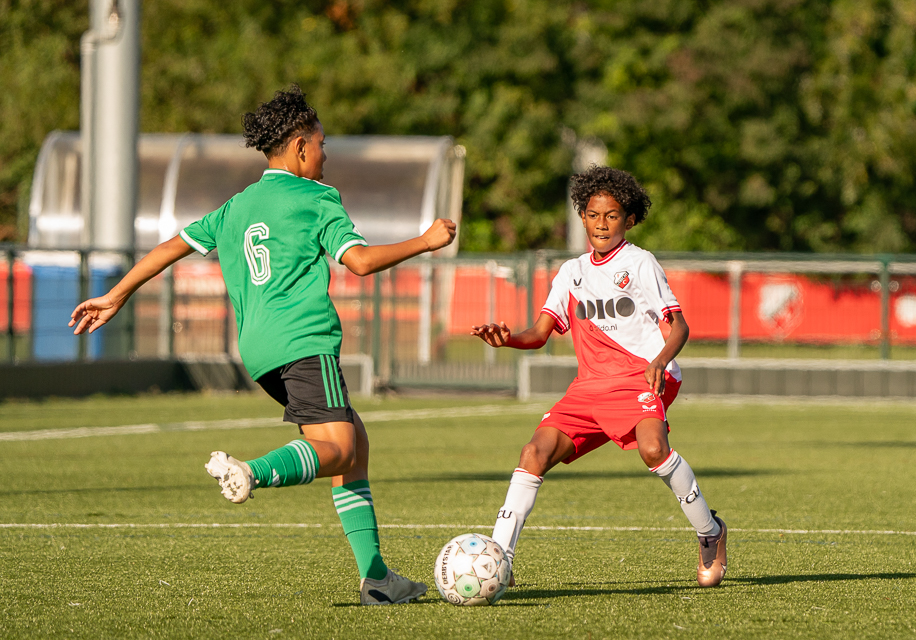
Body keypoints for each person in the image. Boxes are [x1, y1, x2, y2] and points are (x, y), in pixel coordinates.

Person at [70, 85, 456, 605]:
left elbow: (169, 247)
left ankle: (378, 580)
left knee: (354, 447)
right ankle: (251, 471)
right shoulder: (318, 198)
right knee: (339, 448)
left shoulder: (237, 206)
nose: (325, 155)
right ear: (300, 146)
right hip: (303, 340)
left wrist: (115, 295)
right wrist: (426, 241)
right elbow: (359, 261)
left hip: (258, 352)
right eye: (321, 144)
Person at [471, 165, 727, 588]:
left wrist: (661, 360)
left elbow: (679, 326)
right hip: (589, 387)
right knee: (533, 452)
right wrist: (508, 339)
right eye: (593, 214)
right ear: (582, 216)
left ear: (628, 220)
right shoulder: (570, 272)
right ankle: (501, 558)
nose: (601, 223)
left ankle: (710, 532)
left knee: (652, 449)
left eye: (611, 215)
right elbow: (539, 333)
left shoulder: (640, 263)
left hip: (640, 377)